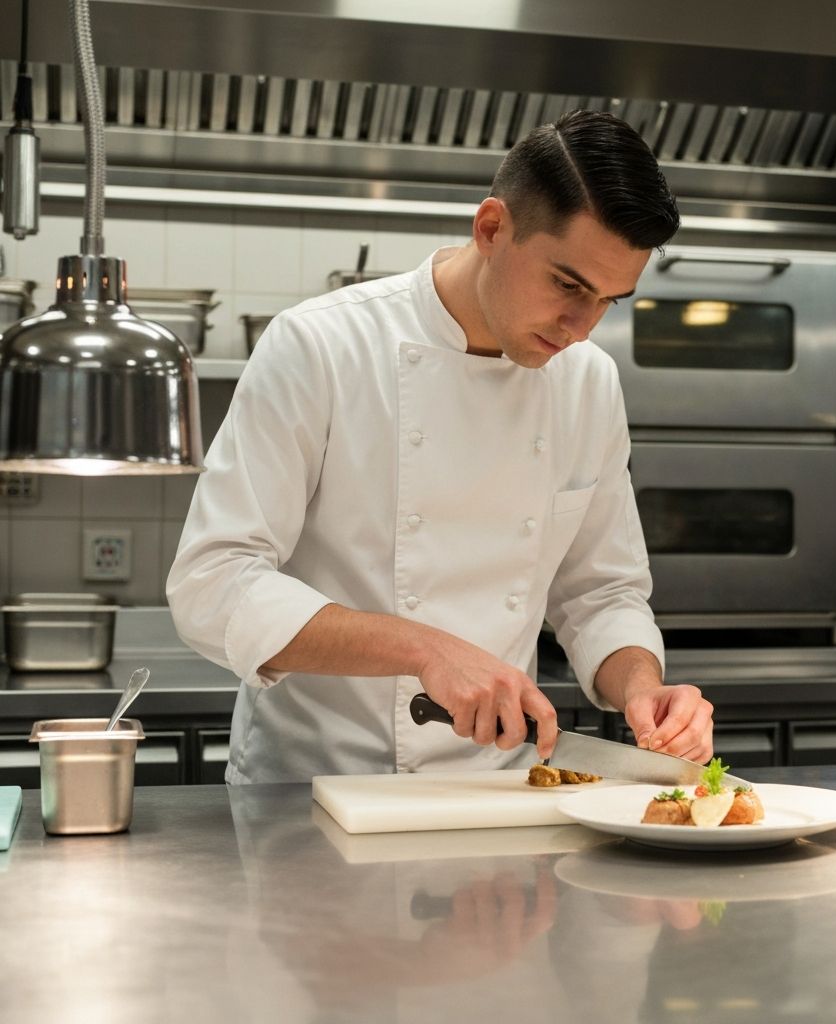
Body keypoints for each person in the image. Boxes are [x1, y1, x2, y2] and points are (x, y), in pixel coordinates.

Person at [167, 109, 714, 783]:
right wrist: (425, 649)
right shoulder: (321, 346)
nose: (581, 326)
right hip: (312, 789)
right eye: (568, 285)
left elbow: (601, 591)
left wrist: (642, 689)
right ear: (491, 228)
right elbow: (213, 583)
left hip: (493, 788)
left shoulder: (588, 382)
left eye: (609, 300)